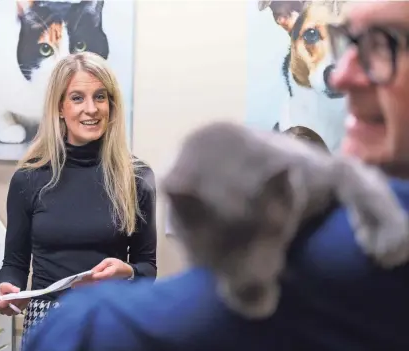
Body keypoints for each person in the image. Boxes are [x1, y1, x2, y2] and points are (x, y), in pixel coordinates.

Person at [24, 1, 409, 350]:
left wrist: (87, 308)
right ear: (58, 107)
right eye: (352, 42)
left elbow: (145, 287)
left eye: (385, 43)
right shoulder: (31, 179)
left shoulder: (367, 245)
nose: (342, 76)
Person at [0, 52, 157, 346]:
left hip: (111, 320)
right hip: (47, 322)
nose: (91, 109)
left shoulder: (137, 178)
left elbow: (147, 268)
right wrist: (8, 288)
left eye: (100, 97)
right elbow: (14, 263)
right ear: (59, 107)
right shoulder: (28, 179)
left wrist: (128, 271)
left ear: (112, 105)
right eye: (78, 98)